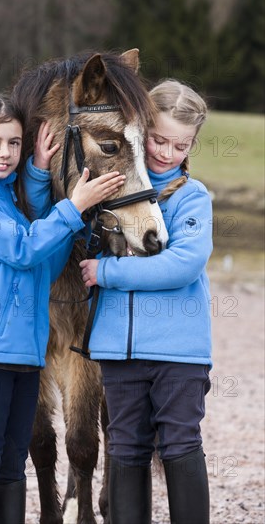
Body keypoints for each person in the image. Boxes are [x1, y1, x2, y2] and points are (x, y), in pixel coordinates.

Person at [0, 94, 126, 524]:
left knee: (10, 466)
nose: (5, 154)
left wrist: (39, 170)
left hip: (24, 353)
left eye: (14, 144)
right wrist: (75, 206)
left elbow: (42, 246)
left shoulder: (6, 200)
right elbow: (24, 247)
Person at [79, 80, 212, 524]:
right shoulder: (108, 190)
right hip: (119, 350)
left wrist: (110, 273)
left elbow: (183, 265)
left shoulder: (192, 197)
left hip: (179, 353)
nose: (167, 153)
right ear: (140, 131)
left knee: (179, 444)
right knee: (125, 447)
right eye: (158, 139)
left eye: (181, 145)